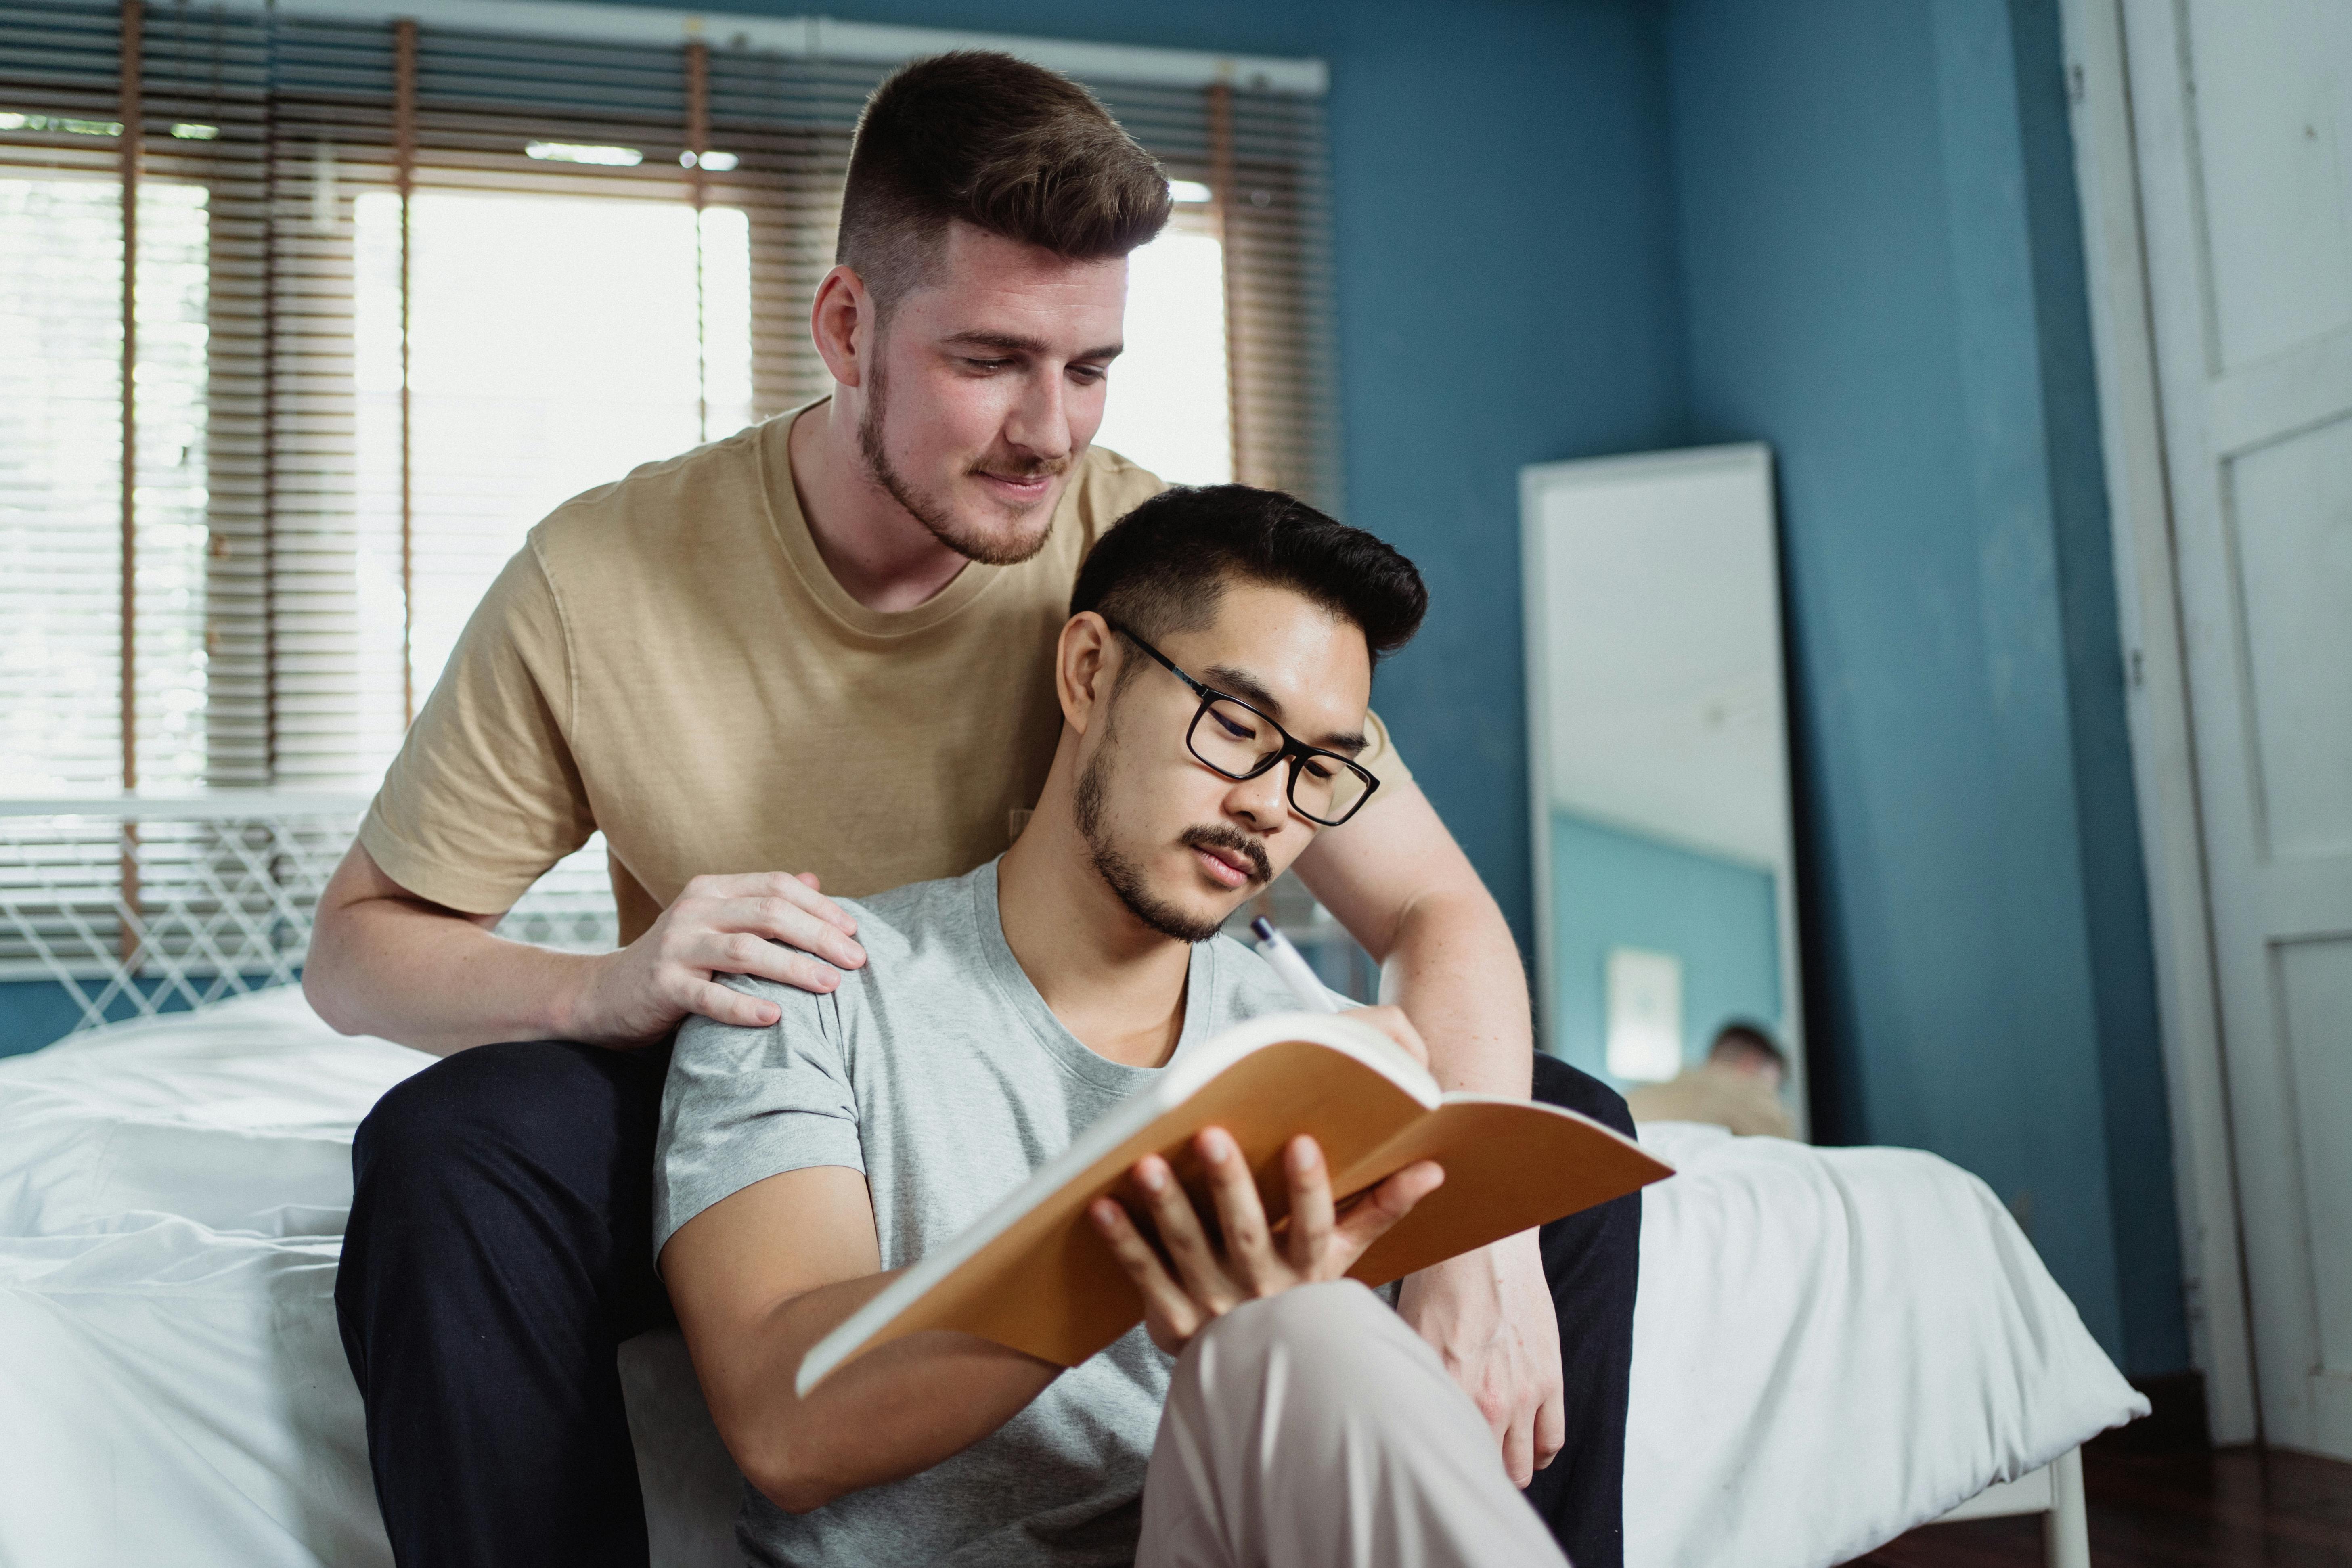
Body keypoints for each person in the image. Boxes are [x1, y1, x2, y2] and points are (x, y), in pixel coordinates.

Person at [310, 50, 1638, 1568]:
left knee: (1553, 1126)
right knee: (453, 1150)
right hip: (780, 1085)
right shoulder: (599, 578)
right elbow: (355, 954)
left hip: (1062, 1058)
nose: (1047, 432)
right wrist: (606, 987)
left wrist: (1487, 1248)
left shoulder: (1138, 563)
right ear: (845, 326)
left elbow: (1431, 909)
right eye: (992, 361)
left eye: (1088, 370)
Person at [658, 484, 1567, 1567]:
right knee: (1293, 1327)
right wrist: (1150, 1223)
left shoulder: (1290, 1033)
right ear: (1088, 671)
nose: (1271, 805)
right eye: (1235, 724)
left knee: (1302, 1334)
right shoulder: (817, 981)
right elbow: (783, 1420)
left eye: (1317, 768)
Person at [1623, 1020, 1795, 1139]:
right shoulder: (1747, 1093)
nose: (1775, 1093)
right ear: (1749, 1063)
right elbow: (1790, 1162)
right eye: (1777, 1085)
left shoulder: (1636, 1095)